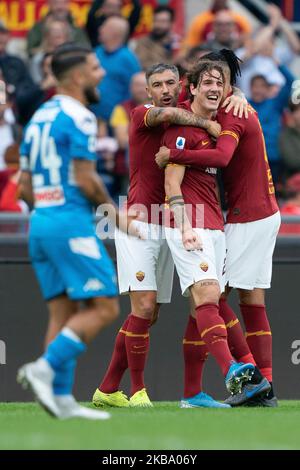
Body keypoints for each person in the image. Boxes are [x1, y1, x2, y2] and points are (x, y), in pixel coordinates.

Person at [92, 62, 248, 409]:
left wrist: (235, 94)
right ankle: (139, 391)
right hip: (138, 218)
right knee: (144, 307)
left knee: (156, 311)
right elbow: (169, 115)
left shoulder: (183, 114)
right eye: (157, 84)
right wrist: (207, 122)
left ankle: (106, 389)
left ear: (180, 85)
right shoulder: (141, 113)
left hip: (170, 221)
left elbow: (211, 89)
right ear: (148, 91)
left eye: (169, 83)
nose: (163, 89)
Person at [17, 43, 141, 420]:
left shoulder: (40, 116)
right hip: (70, 222)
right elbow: (87, 181)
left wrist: (50, 215)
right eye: (94, 67)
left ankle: (61, 399)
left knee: (64, 312)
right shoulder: (81, 116)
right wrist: (116, 216)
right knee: (104, 306)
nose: (101, 73)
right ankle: (44, 367)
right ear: (77, 76)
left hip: (41, 224)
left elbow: (24, 186)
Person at [156, 50, 280, 407]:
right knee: (222, 299)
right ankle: (248, 377)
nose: (214, 88)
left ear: (229, 88)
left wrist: (179, 154)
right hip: (220, 218)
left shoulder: (228, 115)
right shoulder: (188, 123)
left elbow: (222, 158)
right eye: (206, 81)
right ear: (191, 87)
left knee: (214, 301)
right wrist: (182, 224)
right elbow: (172, 184)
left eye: (221, 82)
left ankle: (247, 379)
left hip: (238, 217)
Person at [133, 6, 180, 70]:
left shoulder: (179, 42)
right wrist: (173, 63)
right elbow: (142, 65)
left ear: (171, 23)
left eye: (163, 21)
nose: (158, 25)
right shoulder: (144, 43)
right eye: (156, 21)